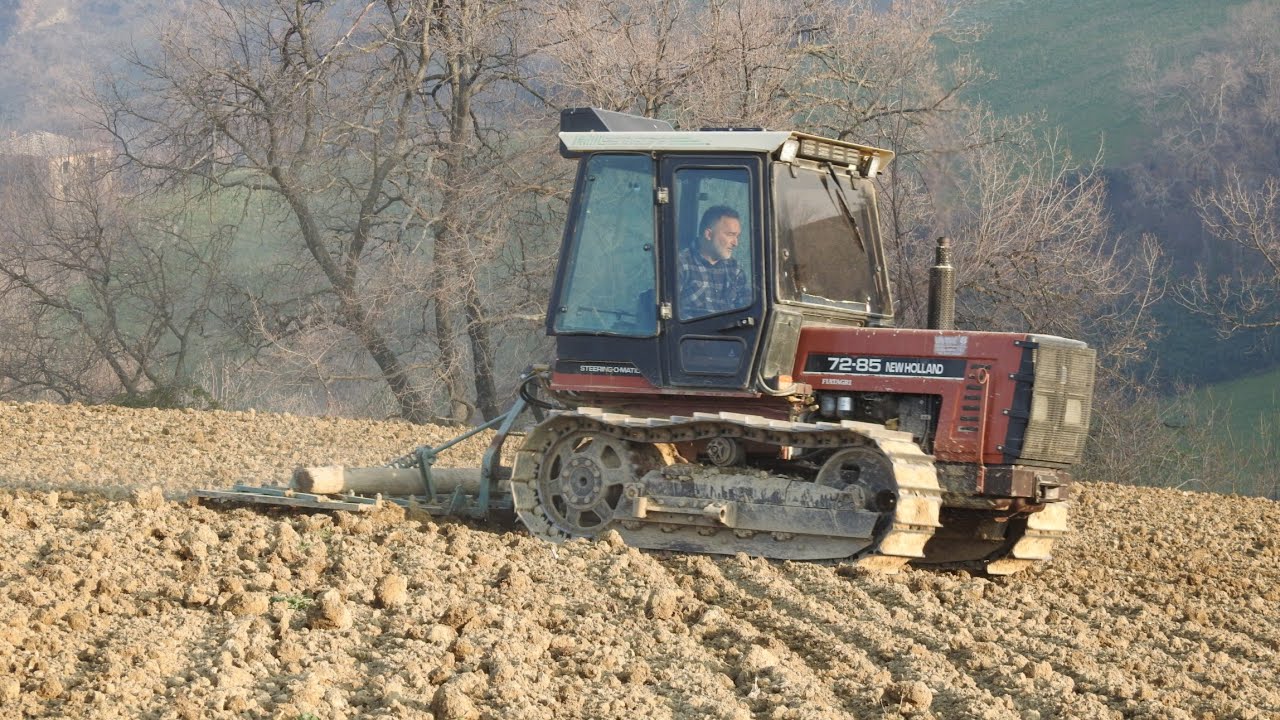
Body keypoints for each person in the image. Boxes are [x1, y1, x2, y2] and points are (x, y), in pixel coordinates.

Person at [677, 205, 751, 318]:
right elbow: (671, 317)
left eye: (737, 236)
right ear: (708, 234)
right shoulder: (681, 264)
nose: (736, 243)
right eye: (730, 235)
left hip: (731, 334)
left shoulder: (735, 269)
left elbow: (748, 310)